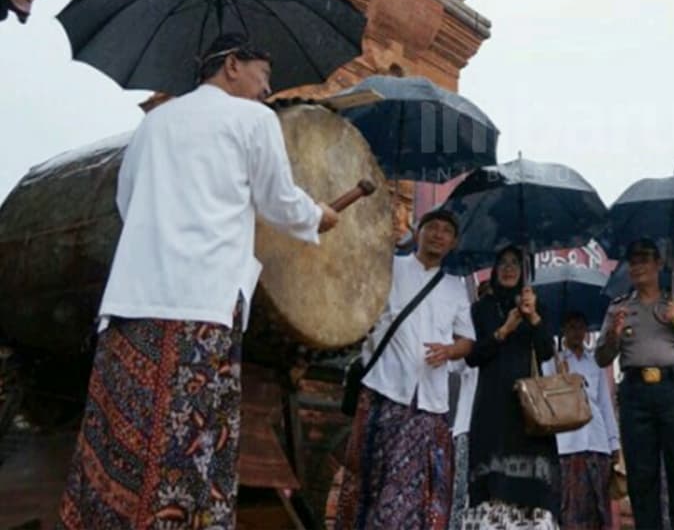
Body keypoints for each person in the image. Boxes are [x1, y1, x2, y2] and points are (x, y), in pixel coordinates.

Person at [57, 34, 337, 530]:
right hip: (201, 304)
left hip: (133, 301)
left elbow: (128, 201)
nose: (266, 90)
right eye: (263, 77)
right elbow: (279, 200)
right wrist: (318, 215)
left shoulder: (156, 122)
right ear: (232, 65)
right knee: (188, 446)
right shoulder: (253, 120)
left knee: (125, 437)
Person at [333, 208, 475, 529]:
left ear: (453, 243)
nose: (439, 235)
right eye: (432, 227)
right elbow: (356, 300)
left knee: (417, 484)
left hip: (428, 401)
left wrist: (450, 350)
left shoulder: (455, 287)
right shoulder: (389, 268)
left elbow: (469, 340)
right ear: (418, 232)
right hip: (383, 389)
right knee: (369, 475)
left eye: (446, 231)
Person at [596, 238, 674, 530]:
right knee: (641, 478)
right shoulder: (619, 308)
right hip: (636, 395)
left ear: (659, 264)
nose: (638, 266)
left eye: (644, 259)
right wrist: (613, 335)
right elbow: (601, 357)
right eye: (633, 260)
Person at [464, 246, 560, 529]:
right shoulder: (481, 309)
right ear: (494, 270)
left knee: (532, 488)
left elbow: (546, 352)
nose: (508, 269)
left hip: (529, 409)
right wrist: (503, 330)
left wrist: (533, 318)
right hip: (493, 404)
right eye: (503, 263)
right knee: (492, 483)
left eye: (515, 263)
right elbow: (473, 356)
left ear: (524, 271)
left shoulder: (537, 306)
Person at [543, 310, 621, 530]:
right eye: (572, 327)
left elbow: (605, 404)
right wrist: (560, 378)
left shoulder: (595, 362)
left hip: (597, 443)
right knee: (570, 505)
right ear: (564, 331)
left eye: (581, 327)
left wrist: (614, 443)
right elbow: (547, 402)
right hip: (567, 445)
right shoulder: (553, 361)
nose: (577, 333)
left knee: (599, 506)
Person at [449, 361, 479, 529]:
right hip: (467, 427)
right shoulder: (474, 339)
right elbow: (454, 364)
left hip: (499, 432)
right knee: (461, 494)